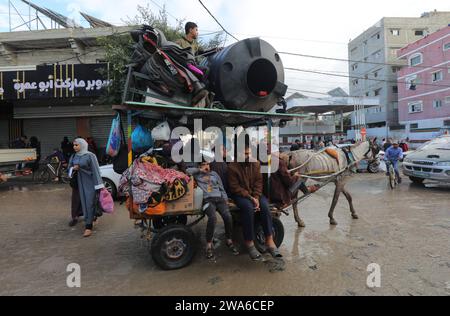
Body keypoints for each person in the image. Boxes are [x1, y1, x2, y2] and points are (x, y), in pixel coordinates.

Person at [228, 139, 282, 260]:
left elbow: (259, 182)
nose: (248, 156)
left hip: (255, 194)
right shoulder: (232, 167)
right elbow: (234, 187)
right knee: (247, 208)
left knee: (265, 206)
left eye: (249, 153)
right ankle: (249, 242)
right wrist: (250, 197)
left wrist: (256, 197)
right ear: (239, 154)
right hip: (241, 195)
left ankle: (269, 239)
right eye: (245, 154)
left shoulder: (256, 164)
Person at [187, 160, 238, 259]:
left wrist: (226, 199)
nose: (206, 166)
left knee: (228, 216)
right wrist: (200, 170)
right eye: (203, 164)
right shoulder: (198, 174)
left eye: (207, 164)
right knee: (213, 218)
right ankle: (209, 244)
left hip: (219, 198)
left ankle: (229, 240)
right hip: (208, 200)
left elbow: (221, 187)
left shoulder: (214, 174)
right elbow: (187, 171)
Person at [68, 138, 105, 237]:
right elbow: (69, 168)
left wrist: (99, 186)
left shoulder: (90, 156)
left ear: (83, 145)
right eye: (74, 145)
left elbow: (95, 170)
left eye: (77, 145)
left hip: (90, 183)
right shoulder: (74, 156)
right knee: (83, 204)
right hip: (79, 184)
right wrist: (73, 168)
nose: (74, 147)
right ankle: (91, 219)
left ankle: (88, 227)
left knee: (89, 203)